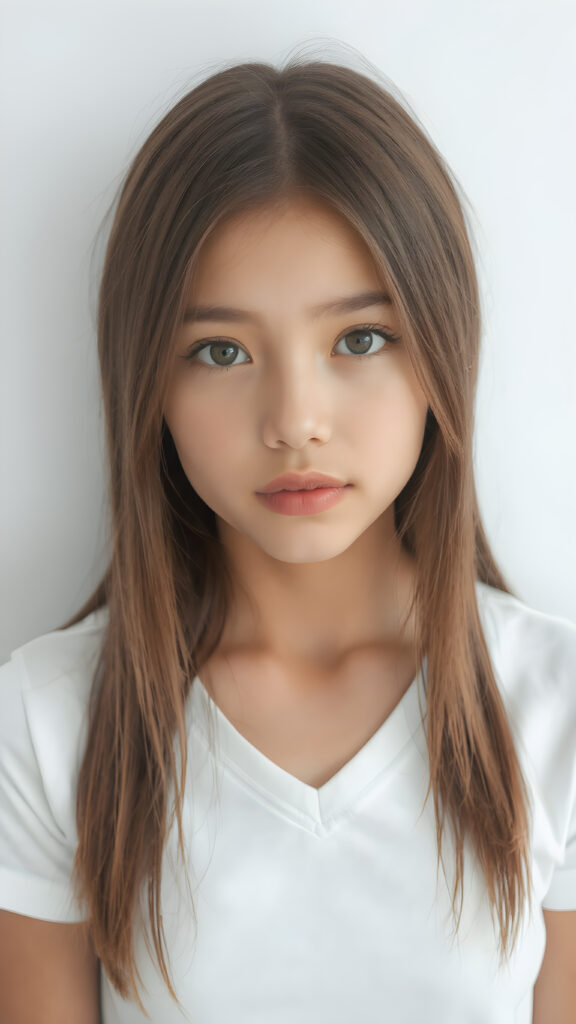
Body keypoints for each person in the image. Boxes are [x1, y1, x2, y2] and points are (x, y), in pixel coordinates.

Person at [0, 57, 574, 1024]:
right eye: (221, 351)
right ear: (149, 385)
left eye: (359, 339)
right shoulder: (52, 722)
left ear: (442, 352)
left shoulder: (553, 705)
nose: (295, 419)